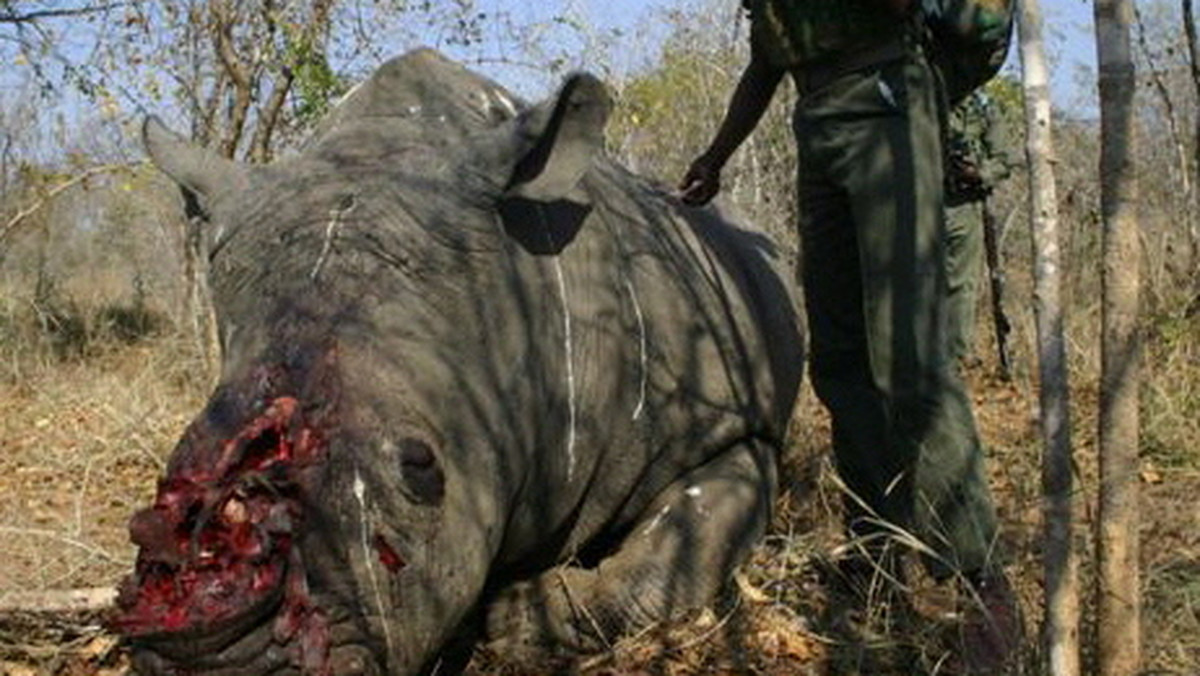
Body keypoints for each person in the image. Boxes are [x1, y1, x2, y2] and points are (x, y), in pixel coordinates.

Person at [678, 0, 1019, 670]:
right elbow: (764, 65)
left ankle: (983, 581)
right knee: (838, 359)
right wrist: (716, 156)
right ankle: (878, 551)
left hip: (890, 101)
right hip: (818, 124)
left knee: (909, 359)